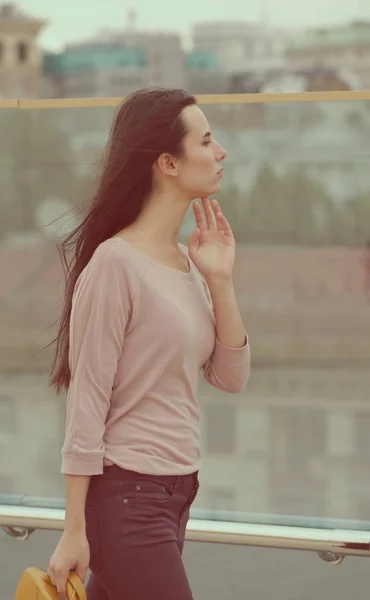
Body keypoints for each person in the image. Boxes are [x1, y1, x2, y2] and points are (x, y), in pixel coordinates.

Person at [47, 87, 250, 600]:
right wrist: (74, 528)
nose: (220, 152)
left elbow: (231, 378)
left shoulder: (190, 263)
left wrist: (221, 282)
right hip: (126, 496)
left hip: (177, 491)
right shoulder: (115, 265)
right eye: (206, 141)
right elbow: (87, 400)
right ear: (168, 163)